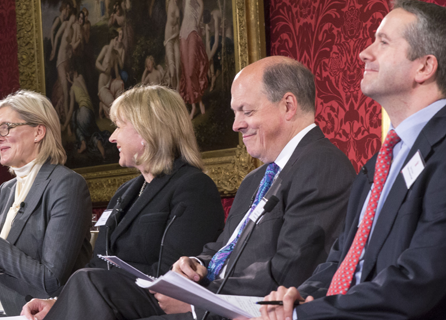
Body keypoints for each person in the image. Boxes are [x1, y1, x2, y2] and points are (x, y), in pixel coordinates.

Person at [23, 57, 356, 320]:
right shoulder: (256, 180)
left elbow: (290, 269)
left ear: (287, 106)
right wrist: (196, 264)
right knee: (89, 283)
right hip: (208, 300)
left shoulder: (321, 165)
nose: (236, 124)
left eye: (246, 111)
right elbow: (222, 249)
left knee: (90, 285)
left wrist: (200, 303)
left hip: (240, 311)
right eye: (235, 112)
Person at [254, 1, 446, 319]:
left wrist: (307, 316)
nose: (364, 53)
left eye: (383, 42)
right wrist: (300, 295)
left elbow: (421, 278)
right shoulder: (379, 163)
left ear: (424, 67)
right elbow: (343, 260)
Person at [21, 85, 225, 320]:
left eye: (118, 126)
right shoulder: (125, 192)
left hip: (157, 306)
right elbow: (97, 262)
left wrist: (88, 291)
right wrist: (59, 303)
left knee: (86, 279)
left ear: (147, 131)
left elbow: (174, 273)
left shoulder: (194, 187)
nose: (111, 137)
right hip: (108, 303)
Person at [0, 90, 93, 316]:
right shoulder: (6, 191)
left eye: (6, 128)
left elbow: (51, 281)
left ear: (38, 131)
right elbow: (0, 283)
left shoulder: (66, 184)